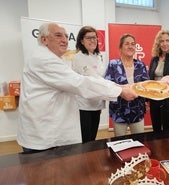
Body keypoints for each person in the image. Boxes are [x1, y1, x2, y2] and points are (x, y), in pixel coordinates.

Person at [17, 22, 137, 153]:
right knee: (47, 170)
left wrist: (117, 86)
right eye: (58, 35)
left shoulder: (60, 58)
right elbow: (80, 83)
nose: (64, 40)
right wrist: (119, 90)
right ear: (44, 39)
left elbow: (95, 79)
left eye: (66, 36)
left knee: (89, 141)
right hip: (43, 136)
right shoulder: (44, 60)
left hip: (58, 125)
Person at [104, 34, 149, 136]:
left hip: (137, 110)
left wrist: (146, 101)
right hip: (119, 110)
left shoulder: (140, 65)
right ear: (120, 47)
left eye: (133, 44)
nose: (130, 46)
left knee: (139, 141)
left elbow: (146, 85)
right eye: (127, 44)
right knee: (120, 142)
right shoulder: (113, 64)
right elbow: (108, 84)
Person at [72, 26, 105, 143]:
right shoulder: (77, 58)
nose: (93, 40)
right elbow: (92, 81)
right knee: (86, 139)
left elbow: (101, 78)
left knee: (93, 138)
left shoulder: (99, 57)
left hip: (97, 103)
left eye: (94, 37)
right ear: (81, 40)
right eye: (89, 38)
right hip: (84, 105)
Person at [148, 29, 169, 132]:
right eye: (162, 41)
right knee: (156, 128)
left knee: (167, 129)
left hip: (168, 99)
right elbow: (150, 78)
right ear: (158, 43)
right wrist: (147, 98)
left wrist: (165, 79)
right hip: (154, 97)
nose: (164, 44)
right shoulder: (154, 59)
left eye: (167, 40)